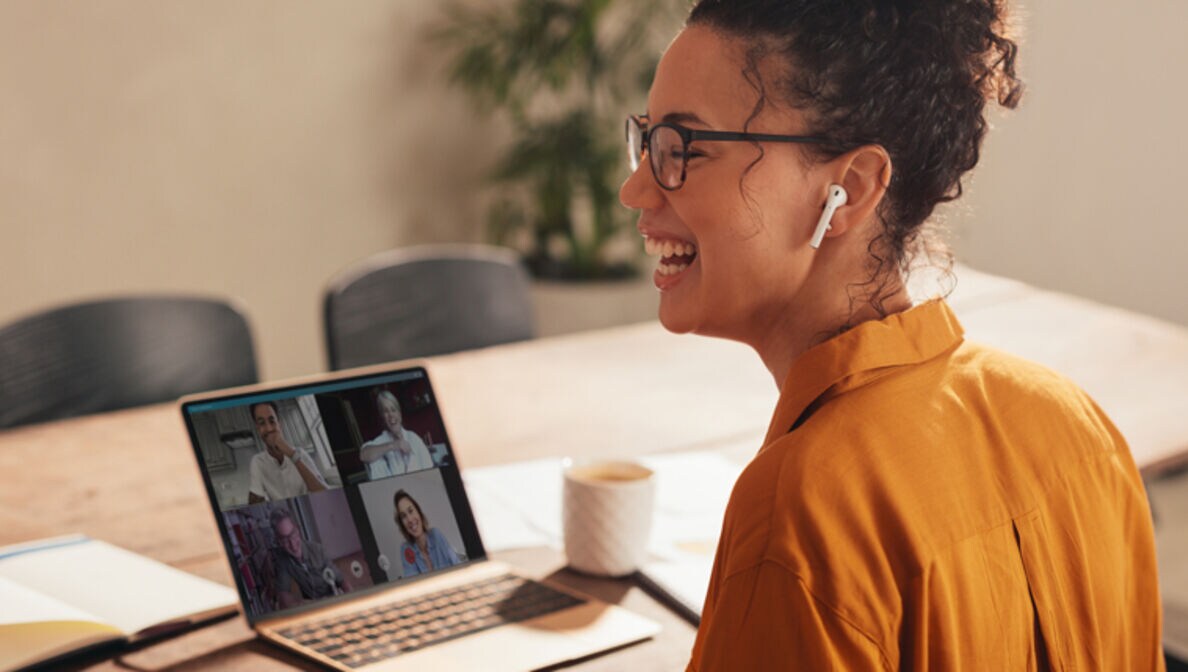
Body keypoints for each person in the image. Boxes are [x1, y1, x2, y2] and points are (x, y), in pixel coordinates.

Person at [618, 1, 1163, 669]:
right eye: (648, 141)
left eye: (685, 150)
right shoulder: (1076, 425)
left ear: (848, 187)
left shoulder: (802, 509)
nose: (637, 187)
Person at [247, 401, 328, 504]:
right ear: (258, 429)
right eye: (262, 423)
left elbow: (323, 492)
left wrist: (292, 454)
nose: (269, 428)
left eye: (272, 421)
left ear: (279, 425)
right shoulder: (257, 462)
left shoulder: (301, 453)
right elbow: (255, 502)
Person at [268, 507, 347, 609]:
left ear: (298, 530)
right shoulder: (282, 561)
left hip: (332, 602)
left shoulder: (318, 549)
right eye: (285, 540)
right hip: (311, 607)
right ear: (278, 541)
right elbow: (283, 596)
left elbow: (342, 581)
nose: (293, 545)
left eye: (293, 534)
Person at [359, 390, 434, 480]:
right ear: (383, 417)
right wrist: (394, 445)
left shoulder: (413, 438)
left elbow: (430, 469)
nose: (391, 415)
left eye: (393, 410)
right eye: (386, 411)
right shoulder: (382, 440)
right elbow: (363, 455)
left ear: (399, 414)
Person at [392, 489, 460, 577]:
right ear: (402, 524)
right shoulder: (406, 549)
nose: (409, 519)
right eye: (403, 516)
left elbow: (457, 565)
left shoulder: (436, 535)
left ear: (418, 512)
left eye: (411, 511)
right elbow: (413, 584)